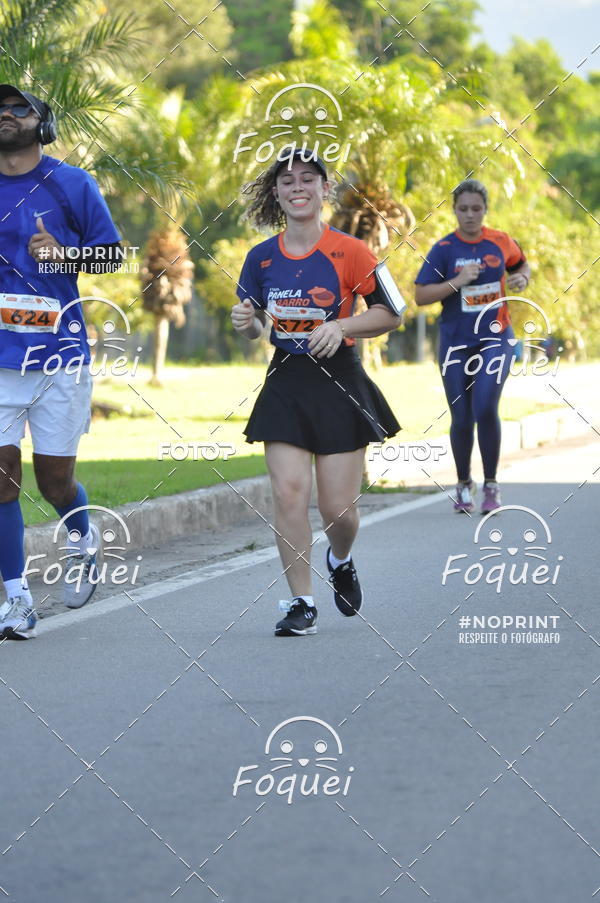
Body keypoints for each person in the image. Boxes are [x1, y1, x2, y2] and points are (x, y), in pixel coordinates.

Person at [231, 150, 402, 637]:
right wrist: (247, 323)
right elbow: (256, 323)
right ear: (277, 193)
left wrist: (342, 324)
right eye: (287, 180)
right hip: (286, 380)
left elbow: (392, 311)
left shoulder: (353, 251)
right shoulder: (260, 257)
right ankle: (300, 601)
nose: (298, 186)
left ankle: (341, 557)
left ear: (326, 190)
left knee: (338, 511)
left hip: (339, 381)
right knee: (288, 493)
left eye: (309, 178)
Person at [0, 84, 121, 639]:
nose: (6, 116)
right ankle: (17, 601)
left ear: (41, 122)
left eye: (18, 108)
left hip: (59, 358)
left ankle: (80, 534)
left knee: (54, 484)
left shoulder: (71, 184)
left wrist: (64, 254)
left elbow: (112, 253)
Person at [414, 178, 530, 514]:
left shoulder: (499, 242)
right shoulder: (444, 249)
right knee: (461, 417)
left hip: (496, 337)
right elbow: (421, 295)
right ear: (454, 210)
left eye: (476, 209)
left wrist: (523, 277)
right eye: (462, 209)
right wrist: (457, 281)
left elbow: (521, 265)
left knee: (483, 406)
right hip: (455, 343)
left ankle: (491, 485)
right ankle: (464, 484)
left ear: (485, 210)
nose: (469, 215)